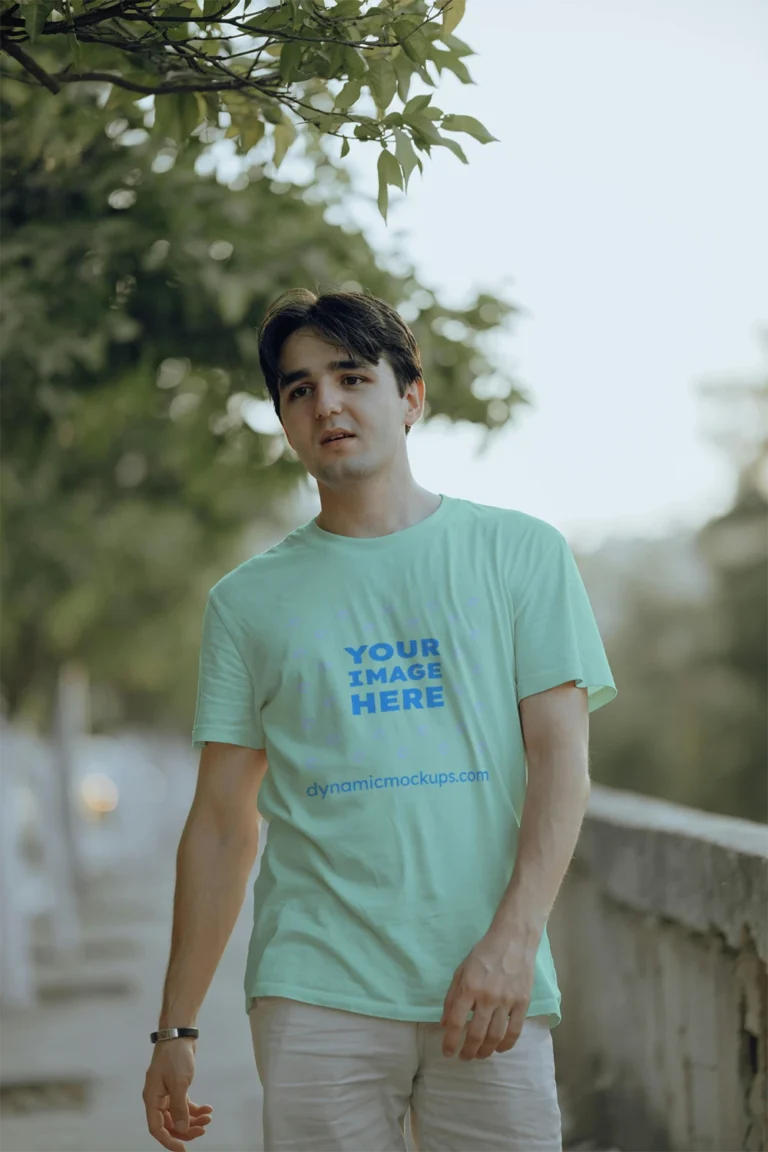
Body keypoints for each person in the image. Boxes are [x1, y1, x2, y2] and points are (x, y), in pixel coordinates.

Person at [142, 287, 618, 1152]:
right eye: (298, 389)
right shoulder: (246, 603)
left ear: (410, 396)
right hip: (314, 991)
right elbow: (219, 826)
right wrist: (175, 1028)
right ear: (284, 418)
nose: (325, 402)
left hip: (489, 983)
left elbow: (561, 767)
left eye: (352, 376)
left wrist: (514, 944)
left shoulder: (520, 555)